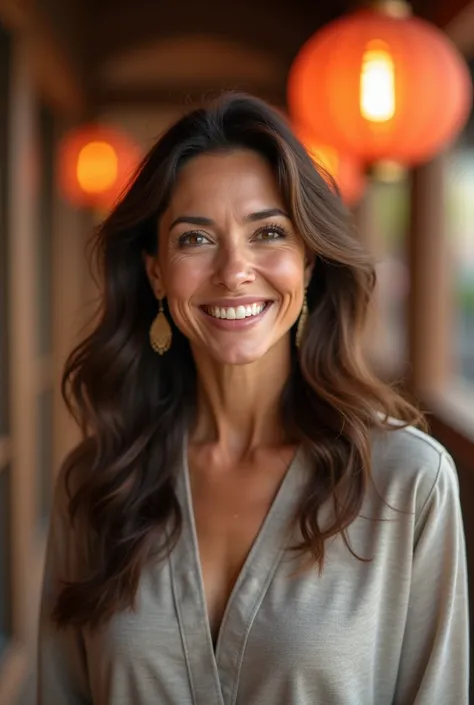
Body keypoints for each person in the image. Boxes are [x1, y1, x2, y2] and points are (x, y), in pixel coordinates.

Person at [37, 93, 469, 705]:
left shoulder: (407, 482)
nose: (234, 270)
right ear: (156, 271)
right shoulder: (97, 483)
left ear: (309, 260)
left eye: (268, 232)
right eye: (195, 239)